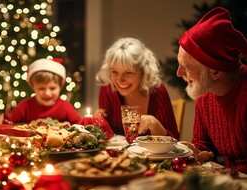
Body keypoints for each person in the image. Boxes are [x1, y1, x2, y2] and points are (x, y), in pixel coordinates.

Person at [176, 7, 247, 172]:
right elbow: (204, 146)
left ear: (215, 72)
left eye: (186, 66)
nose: (178, 73)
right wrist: (197, 152)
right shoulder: (205, 95)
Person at [96, 37, 180, 140]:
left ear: (144, 71)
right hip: (119, 156)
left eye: (128, 73)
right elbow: (103, 138)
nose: (119, 80)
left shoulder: (157, 90)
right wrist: (97, 124)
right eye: (114, 72)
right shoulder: (107, 89)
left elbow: (175, 141)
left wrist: (154, 124)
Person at [5, 58, 81, 124]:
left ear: (60, 87)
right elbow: (11, 126)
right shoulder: (24, 107)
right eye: (41, 88)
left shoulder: (65, 107)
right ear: (33, 87)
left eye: (52, 88)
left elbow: (80, 124)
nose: (47, 93)